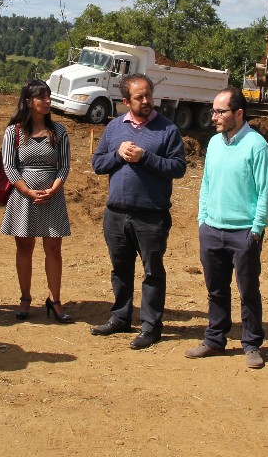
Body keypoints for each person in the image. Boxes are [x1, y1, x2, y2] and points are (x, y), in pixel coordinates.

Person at [90, 73, 187, 350]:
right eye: (139, 97)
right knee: (120, 269)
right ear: (126, 101)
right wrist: (117, 155)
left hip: (151, 214)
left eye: (148, 95)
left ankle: (151, 326)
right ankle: (120, 317)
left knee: (152, 272)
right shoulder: (113, 128)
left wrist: (145, 158)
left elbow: (178, 168)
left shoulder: (167, 129)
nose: (146, 101)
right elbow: (98, 164)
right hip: (116, 213)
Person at [185, 87, 268, 370]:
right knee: (216, 290)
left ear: (239, 113)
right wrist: (203, 220)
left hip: (243, 233)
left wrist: (256, 230)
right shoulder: (213, 143)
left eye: (220, 111)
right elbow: (207, 184)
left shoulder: (257, 145)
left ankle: (251, 344)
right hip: (212, 229)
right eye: (213, 111)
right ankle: (214, 339)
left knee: (248, 290)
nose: (214, 117)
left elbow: (267, 193)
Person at [0, 79, 73, 323]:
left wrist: (54, 188)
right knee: (24, 248)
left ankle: (55, 300)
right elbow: (9, 165)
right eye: (42, 97)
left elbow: (64, 165)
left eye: (49, 96)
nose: (48, 101)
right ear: (29, 101)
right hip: (23, 198)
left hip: (53, 196)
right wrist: (27, 191)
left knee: (53, 249)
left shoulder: (59, 131)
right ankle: (25, 298)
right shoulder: (14, 131)